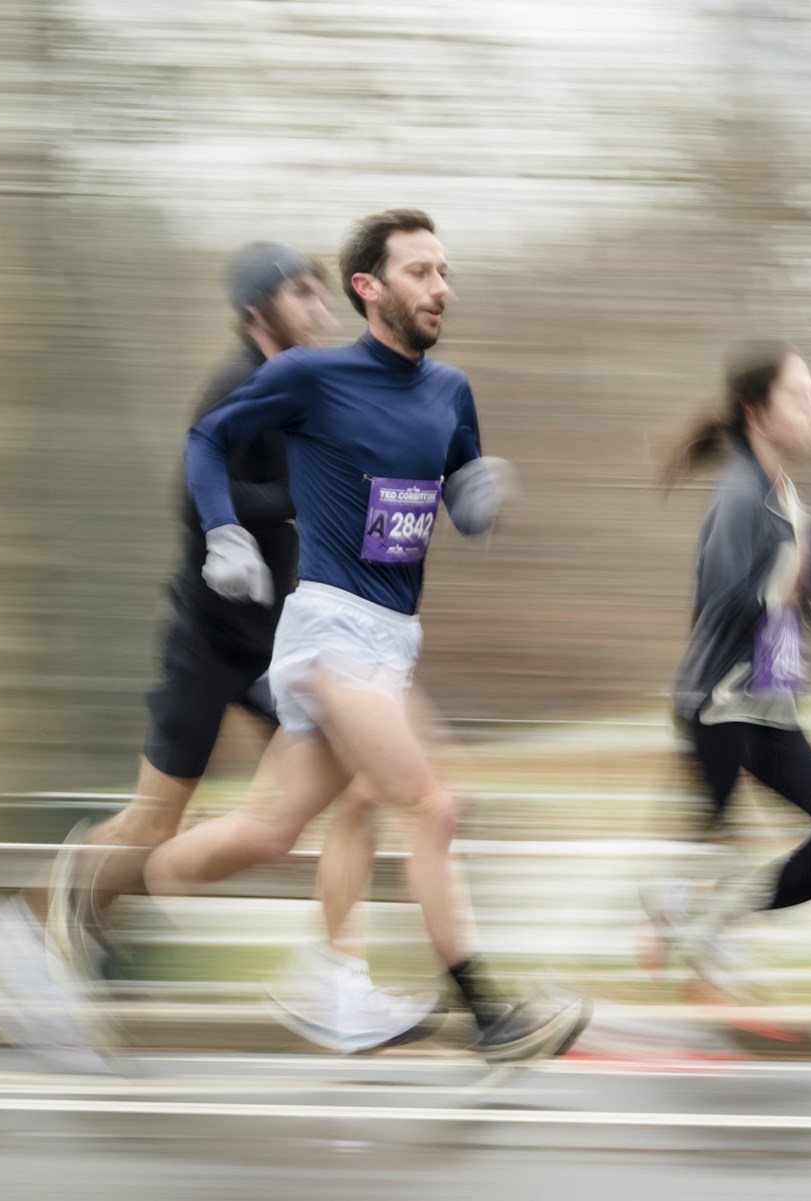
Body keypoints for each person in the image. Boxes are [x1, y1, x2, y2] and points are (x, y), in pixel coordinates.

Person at [0, 242, 439, 1068]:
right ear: (258, 310)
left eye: (320, 292)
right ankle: (31, 922)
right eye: (300, 293)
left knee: (359, 783)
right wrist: (281, 507)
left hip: (278, 641)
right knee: (153, 822)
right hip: (209, 642)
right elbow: (196, 484)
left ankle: (337, 979)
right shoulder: (236, 385)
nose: (319, 307)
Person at [144, 208, 590, 1064]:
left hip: (392, 638)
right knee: (432, 802)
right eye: (420, 272)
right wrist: (225, 531)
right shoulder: (312, 377)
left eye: (445, 271)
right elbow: (207, 438)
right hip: (328, 630)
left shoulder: (450, 391)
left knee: (278, 828)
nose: (441, 287)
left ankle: (152, 880)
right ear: (369, 288)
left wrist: (479, 501)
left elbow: (455, 499)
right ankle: (492, 1015)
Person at [641, 342, 811, 1001]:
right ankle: (689, 928)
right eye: (800, 396)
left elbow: (810, 610)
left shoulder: (786, 497)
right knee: (720, 843)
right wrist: (786, 581)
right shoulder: (740, 493)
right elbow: (720, 601)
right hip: (720, 708)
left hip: (765, 706)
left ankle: (695, 918)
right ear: (757, 411)